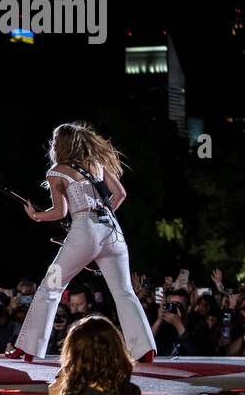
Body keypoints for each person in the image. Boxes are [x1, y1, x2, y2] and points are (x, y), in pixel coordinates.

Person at [9, 123, 155, 362]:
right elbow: (120, 194)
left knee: (50, 287)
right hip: (112, 230)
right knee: (124, 291)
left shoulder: (57, 171)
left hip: (84, 231)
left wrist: (35, 215)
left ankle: (28, 348)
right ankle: (145, 349)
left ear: (61, 144)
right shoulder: (98, 164)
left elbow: (59, 212)